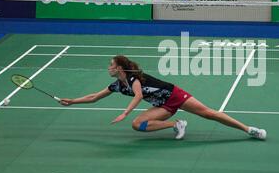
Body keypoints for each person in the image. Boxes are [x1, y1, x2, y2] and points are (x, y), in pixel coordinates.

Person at [59, 55, 267, 141]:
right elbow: (95, 96)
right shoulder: (117, 85)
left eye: (111, 65)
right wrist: (72, 100)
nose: (108, 68)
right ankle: (176, 124)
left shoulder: (133, 79)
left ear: (119, 68)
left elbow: (139, 95)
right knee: (137, 124)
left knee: (209, 114)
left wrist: (124, 112)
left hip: (174, 95)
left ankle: (249, 129)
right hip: (162, 105)